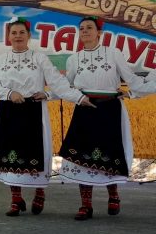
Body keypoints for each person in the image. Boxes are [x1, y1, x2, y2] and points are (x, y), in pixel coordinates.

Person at [0, 16, 93, 216]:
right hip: (8, 112)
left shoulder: (39, 58)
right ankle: (16, 199)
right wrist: (10, 94)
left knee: (36, 152)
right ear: (8, 37)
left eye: (22, 33)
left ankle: (39, 193)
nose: (18, 36)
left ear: (29, 36)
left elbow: (58, 82)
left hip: (33, 110)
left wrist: (78, 98)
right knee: (10, 154)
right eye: (14, 33)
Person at [59, 16, 148, 220]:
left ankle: (113, 195)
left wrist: (132, 93)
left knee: (110, 151)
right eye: (81, 29)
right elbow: (65, 85)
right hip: (84, 109)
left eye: (89, 28)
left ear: (99, 32)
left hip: (109, 109)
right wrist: (48, 95)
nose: (85, 31)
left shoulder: (113, 53)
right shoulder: (74, 59)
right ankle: (86, 204)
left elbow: (131, 79)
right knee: (82, 155)